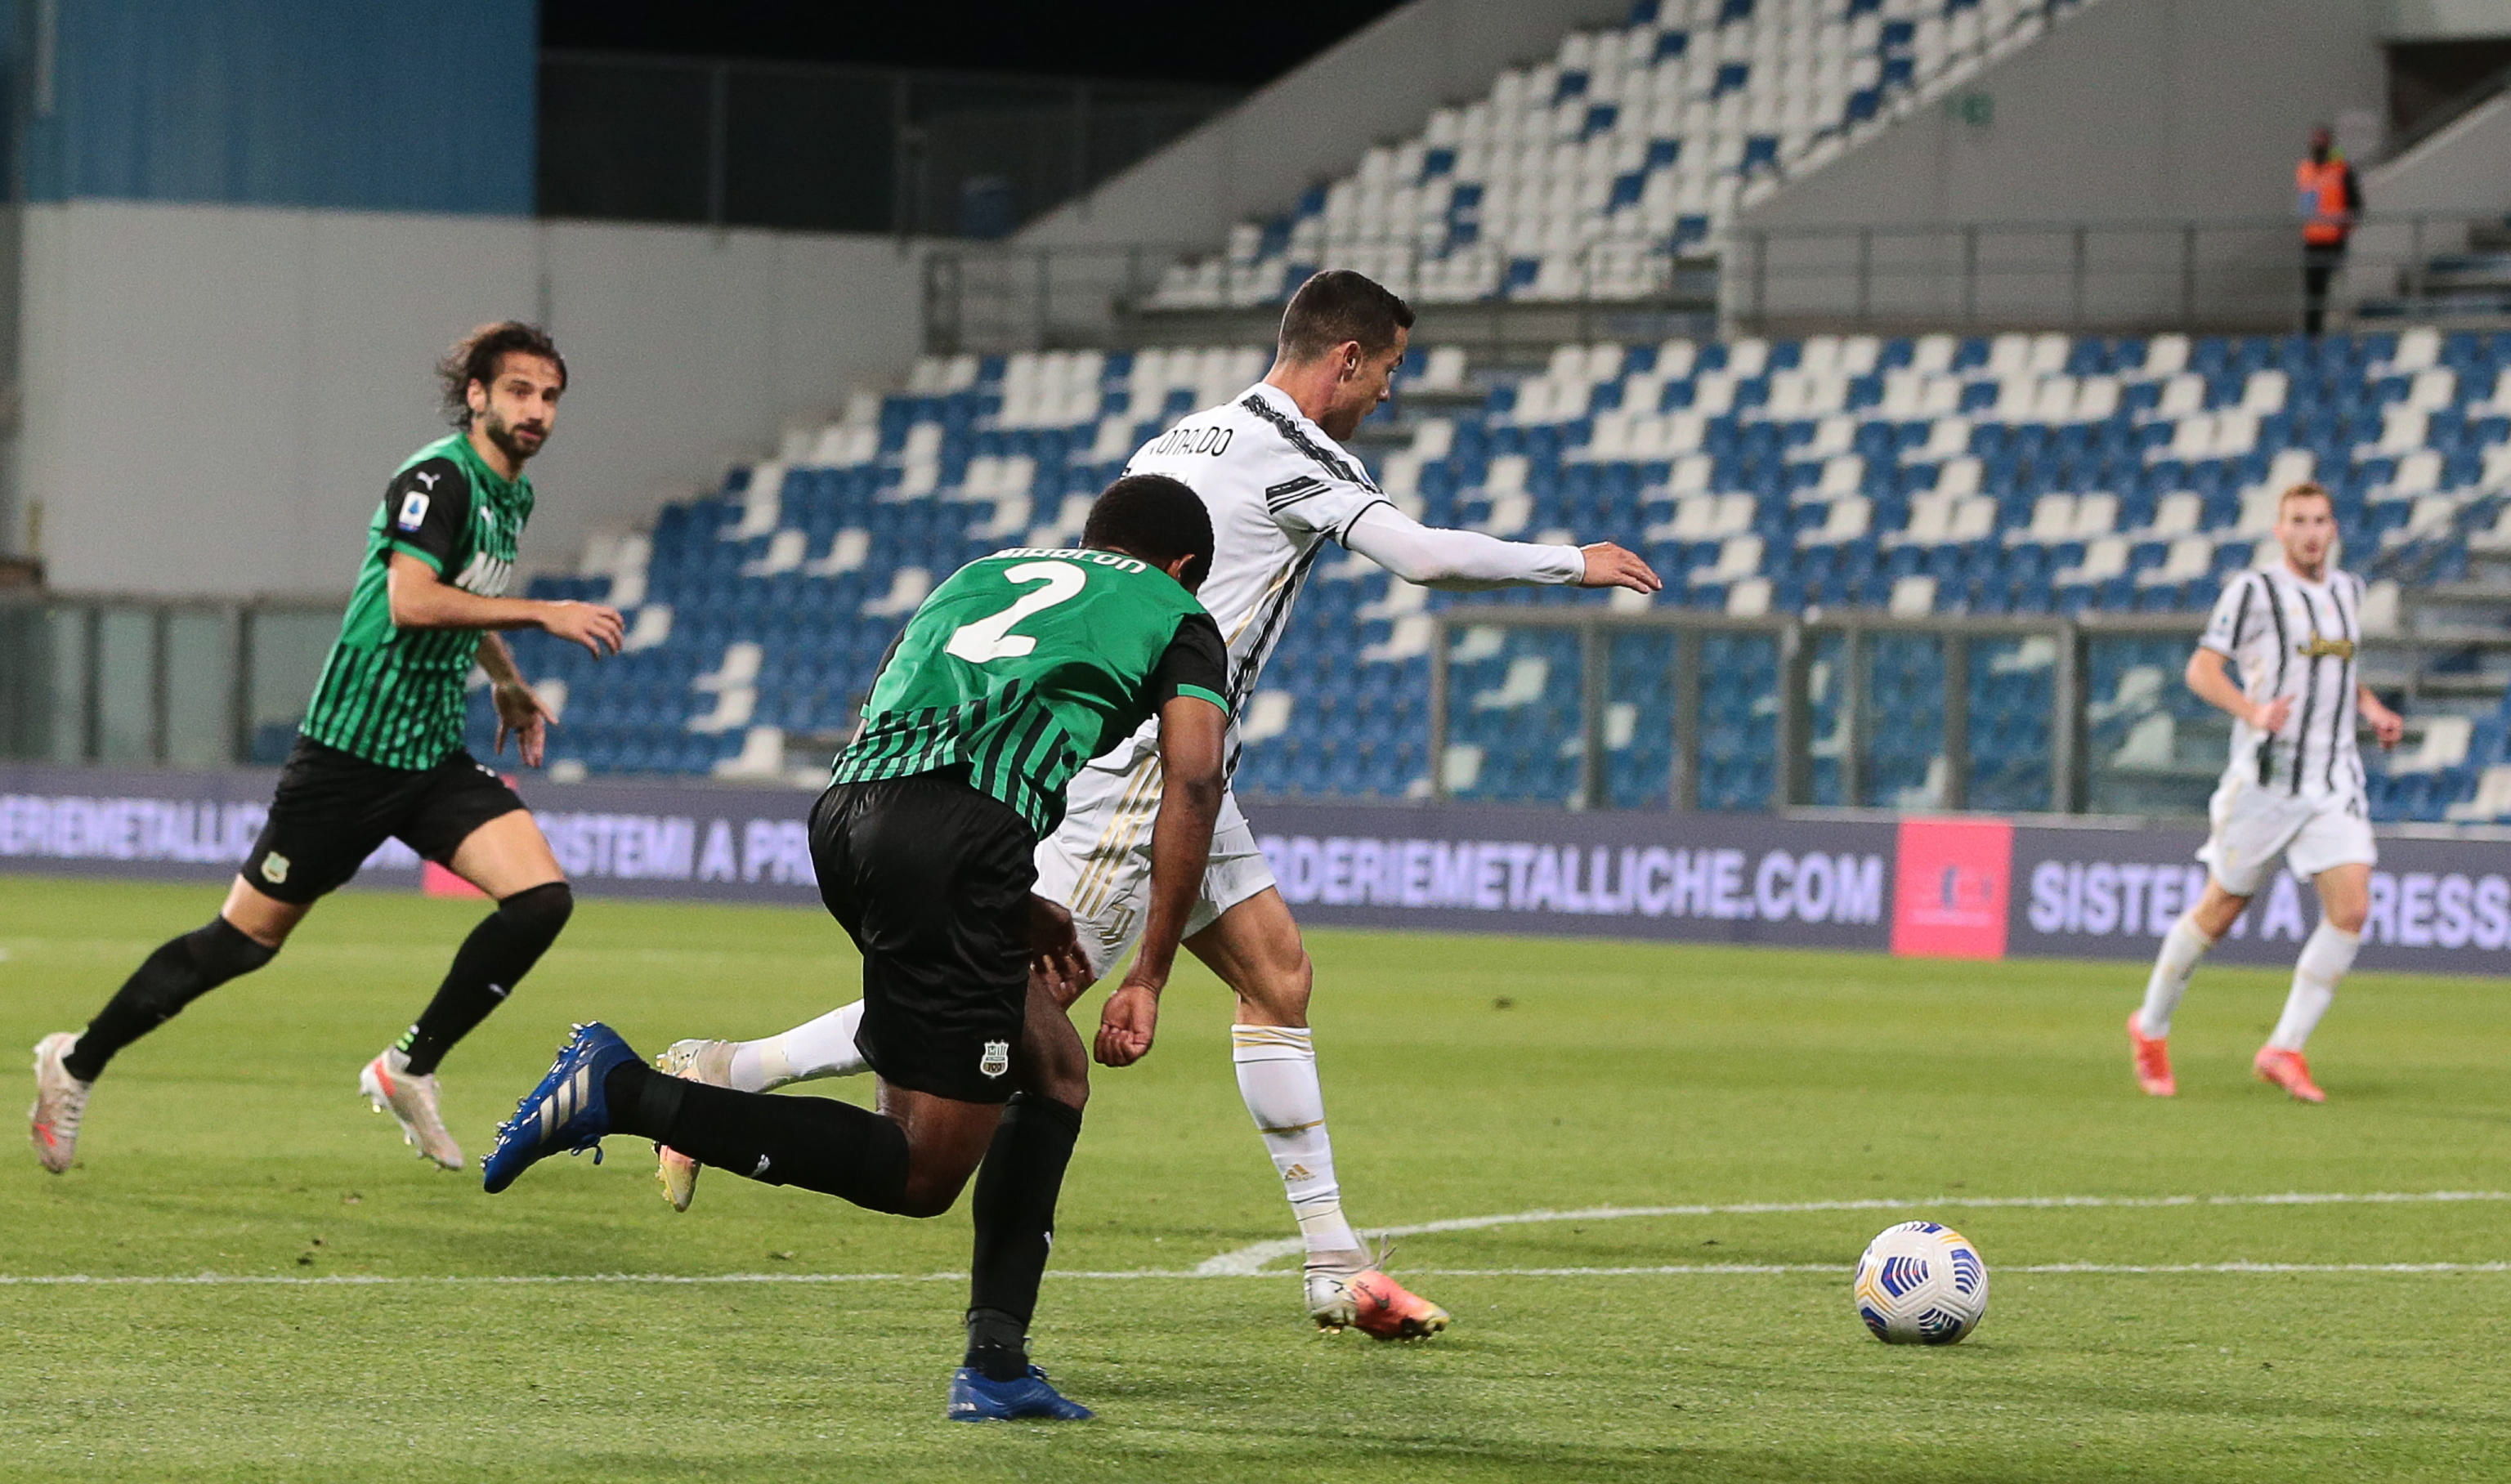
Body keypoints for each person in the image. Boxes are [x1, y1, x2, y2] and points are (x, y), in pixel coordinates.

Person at [647, 270, 1660, 1339]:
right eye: (1392, 369)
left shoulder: (1193, 434)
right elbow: (1419, 558)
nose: (1390, 394)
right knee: (1022, 1000)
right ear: (1348, 358)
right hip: (1142, 773)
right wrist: (1571, 561)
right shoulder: (1302, 459)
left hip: (1189, 768)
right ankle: (729, 1070)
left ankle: (1331, 1262)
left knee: (1277, 978)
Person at [481, 475, 1231, 1423]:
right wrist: (1151, 973)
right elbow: (1195, 780)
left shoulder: (984, 573)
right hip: (957, 840)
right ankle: (625, 1091)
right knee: (921, 1170)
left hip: (847, 817)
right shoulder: (1176, 611)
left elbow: (890, 697)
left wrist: (1012, 899)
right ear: (1185, 567)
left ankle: (999, 1365)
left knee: (1051, 1067)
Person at [26, 323, 622, 1173]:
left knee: (540, 900)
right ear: (479, 396)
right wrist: (543, 613)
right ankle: (74, 1063)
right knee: (240, 945)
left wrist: (504, 678)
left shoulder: (509, 494)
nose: (537, 410)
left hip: (428, 756)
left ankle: (407, 1067)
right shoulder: (438, 478)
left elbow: (461, 594)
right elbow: (414, 600)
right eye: (520, 391)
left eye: (550, 396)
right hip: (347, 757)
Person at [2128, 482, 2404, 1102]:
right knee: (2220, 912)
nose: (2311, 531)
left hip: (2332, 778)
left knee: (2352, 909)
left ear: (2334, 529)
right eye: (2298, 521)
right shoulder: (2253, 591)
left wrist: (2373, 709)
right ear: (2280, 531)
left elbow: (2340, 669)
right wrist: (2251, 711)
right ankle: (2150, 1027)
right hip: (2267, 782)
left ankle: (2284, 1047)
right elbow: (2201, 668)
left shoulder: (2348, 591)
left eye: (2320, 520)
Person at [2297, 126, 2361, 337]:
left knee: (2336, 289)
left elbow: (2355, 204)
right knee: (2313, 292)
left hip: (2334, 240)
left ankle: (2339, 334)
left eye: (2322, 140)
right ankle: (2312, 334)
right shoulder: (2305, 169)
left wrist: (2344, 229)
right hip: (2312, 239)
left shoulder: (2341, 170)